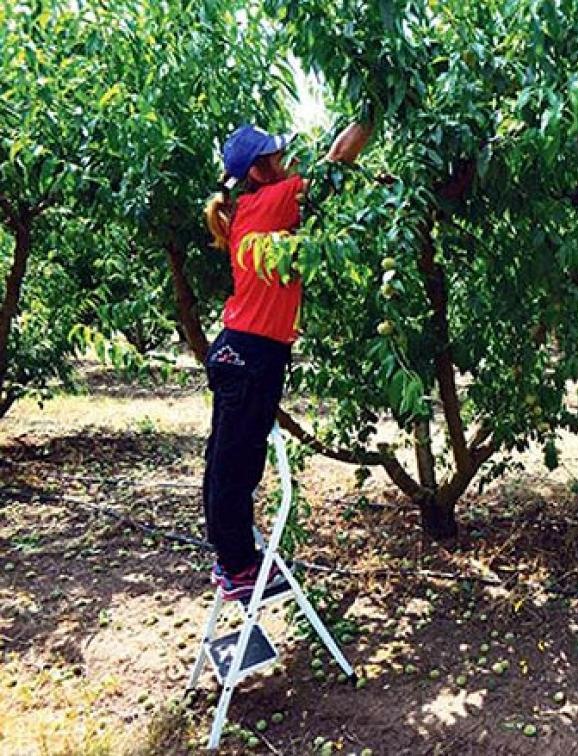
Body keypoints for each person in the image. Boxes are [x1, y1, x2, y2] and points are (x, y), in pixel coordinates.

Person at [201, 121, 371, 599]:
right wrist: (372, 112)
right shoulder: (269, 202)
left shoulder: (252, 209)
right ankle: (236, 567)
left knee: (226, 457)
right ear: (258, 171)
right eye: (277, 155)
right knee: (236, 461)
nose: (287, 159)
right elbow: (336, 165)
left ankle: (229, 559)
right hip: (251, 352)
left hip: (242, 349)